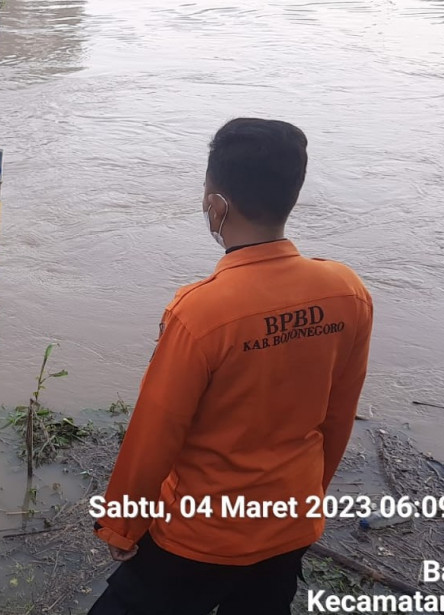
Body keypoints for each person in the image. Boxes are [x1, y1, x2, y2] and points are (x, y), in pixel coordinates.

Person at [89, 118, 373, 615]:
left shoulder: (201, 313)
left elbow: (156, 431)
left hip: (201, 536)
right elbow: (338, 414)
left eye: (207, 195)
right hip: (289, 523)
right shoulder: (346, 291)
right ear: (293, 194)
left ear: (216, 205)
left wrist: (122, 522)